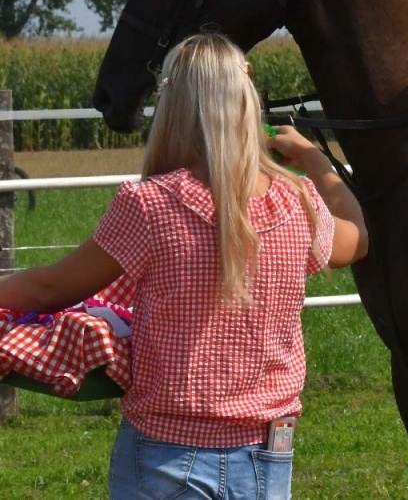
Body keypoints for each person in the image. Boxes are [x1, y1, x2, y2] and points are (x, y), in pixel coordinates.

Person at [0, 32, 368, 500]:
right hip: (269, 450)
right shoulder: (298, 201)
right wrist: (314, 159)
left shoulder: (149, 205)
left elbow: (47, 289)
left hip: (163, 452)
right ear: (245, 100)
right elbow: (356, 240)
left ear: (173, 105)